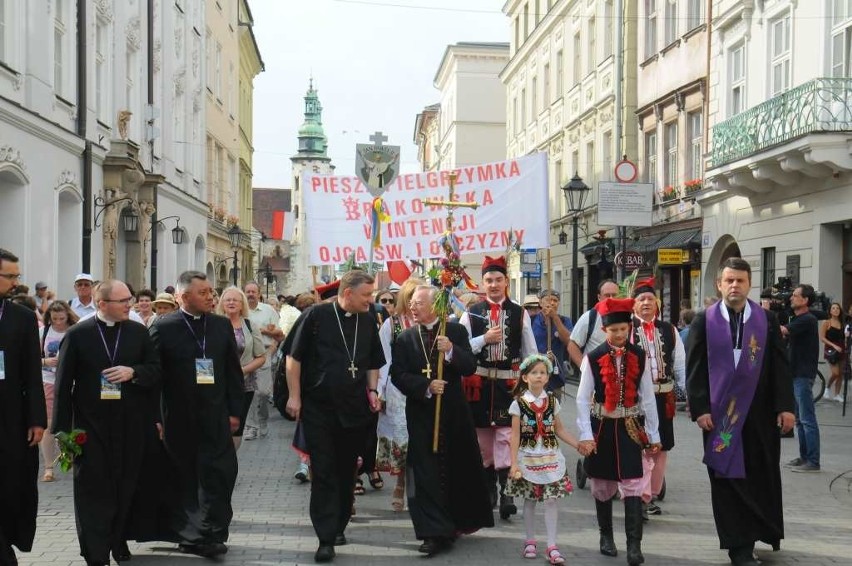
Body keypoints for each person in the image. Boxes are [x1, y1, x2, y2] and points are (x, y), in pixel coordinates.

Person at [686, 258, 795, 565]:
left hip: (759, 415)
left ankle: (760, 529)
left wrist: (785, 406)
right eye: (729, 280)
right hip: (720, 418)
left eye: (741, 281)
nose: (734, 286)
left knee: (759, 476)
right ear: (720, 284)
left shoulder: (766, 320)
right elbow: (694, 369)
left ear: (749, 284)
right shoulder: (703, 321)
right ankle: (739, 546)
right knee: (726, 478)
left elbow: (779, 367)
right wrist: (700, 409)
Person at [52, 280, 161, 566]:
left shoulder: (138, 332)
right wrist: (63, 433)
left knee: (126, 486)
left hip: (131, 424)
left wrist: (133, 372)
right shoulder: (77, 335)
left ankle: (117, 538)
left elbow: (156, 372)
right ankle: (95, 551)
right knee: (92, 490)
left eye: (131, 299)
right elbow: (63, 385)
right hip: (91, 427)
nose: (130, 304)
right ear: (102, 304)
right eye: (123, 300)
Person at [285, 270, 385, 563]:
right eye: (366, 295)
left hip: (355, 409)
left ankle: (339, 523)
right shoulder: (315, 317)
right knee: (325, 471)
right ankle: (325, 537)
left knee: (345, 471)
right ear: (348, 293)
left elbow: (372, 362)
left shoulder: (368, 319)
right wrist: (294, 396)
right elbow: (294, 357)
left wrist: (373, 391)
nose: (371, 300)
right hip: (320, 408)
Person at [390, 285, 494, 557]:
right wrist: (425, 385)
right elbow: (398, 375)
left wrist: (451, 352)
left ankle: (452, 524)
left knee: (454, 468)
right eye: (411, 303)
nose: (412, 307)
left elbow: (469, 366)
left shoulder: (455, 332)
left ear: (435, 306)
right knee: (424, 472)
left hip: (454, 413)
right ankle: (432, 532)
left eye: (418, 303)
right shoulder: (405, 338)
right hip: (422, 414)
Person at [148, 271, 245, 558]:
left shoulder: (220, 326)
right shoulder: (163, 328)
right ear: (183, 297)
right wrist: (155, 417)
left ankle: (215, 529)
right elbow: (154, 377)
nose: (210, 297)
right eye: (203, 292)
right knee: (185, 477)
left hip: (216, 414)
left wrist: (235, 411)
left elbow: (232, 371)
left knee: (221, 474)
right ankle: (194, 534)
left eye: (211, 291)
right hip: (178, 417)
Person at [576, 296, 660, 566]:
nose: (619, 334)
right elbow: (581, 398)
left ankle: (634, 546)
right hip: (602, 427)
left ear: (629, 328)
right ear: (605, 331)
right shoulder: (593, 357)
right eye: (614, 330)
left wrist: (654, 434)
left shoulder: (639, 355)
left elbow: (647, 396)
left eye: (624, 329)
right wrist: (586, 434)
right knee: (602, 483)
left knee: (633, 482)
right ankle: (606, 537)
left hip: (630, 427)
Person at [459, 255, 536, 521]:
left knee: (506, 436)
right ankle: (488, 489)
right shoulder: (471, 313)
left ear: (506, 282)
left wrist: (533, 383)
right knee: (483, 441)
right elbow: (459, 348)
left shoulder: (519, 312)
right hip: (479, 385)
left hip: (508, 384)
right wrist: (483, 339)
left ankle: (507, 494)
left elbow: (530, 351)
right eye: (489, 280)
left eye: (498, 280)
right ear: (483, 282)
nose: (493, 285)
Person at [506, 354, 578, 565]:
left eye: (543, 373)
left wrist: (577, 445)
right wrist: (513, 463)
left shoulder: (552, 402)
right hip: (528, 458)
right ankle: (530, 540)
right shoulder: (518, 404)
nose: (539, 376)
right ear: (525, 377)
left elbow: (560, 429)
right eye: (534, 373)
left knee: (551, 500)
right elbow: (515, 435)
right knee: (530, 500)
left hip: (550, 457)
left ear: (548, 378)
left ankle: (552, 545)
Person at [0, 248, 46, 566]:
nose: (16, 283)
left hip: (11, 418)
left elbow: (33, 371)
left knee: (11, 484)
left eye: (17, 276)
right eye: (10, 276)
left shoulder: (22, 317)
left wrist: (37, 419)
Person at [629, 278, 685, 517]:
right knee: (640, 444)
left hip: (664, 397)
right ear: (633, 305)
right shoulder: (627, 328)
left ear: (657, 304)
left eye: (650, 299)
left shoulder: (669, 330)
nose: (646, 303)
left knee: (661, 446)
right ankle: (638, 494)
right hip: (638, 399)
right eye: (641, 299)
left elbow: (680, 363)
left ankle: (650, 494)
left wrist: (687, 392)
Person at [376, 277, 423, 511]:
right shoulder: (392, 324)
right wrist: (379, 391)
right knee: (403, 440)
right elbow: (383, 360)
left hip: (424, 389)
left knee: (421, 441)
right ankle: (400, 484)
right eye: (413, 296)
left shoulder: (431, 323)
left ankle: (419, 489)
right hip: (398, 390)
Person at [217, 287, 266, 451]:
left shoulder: (250, 326)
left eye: (235, 300)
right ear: (222, 304)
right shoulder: (212, 324)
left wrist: (241, 371)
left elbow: (261, 356)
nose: (231, 303)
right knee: (218, 425)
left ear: (241, 304)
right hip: (218, 385)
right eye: (227, 300)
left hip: (244, 385)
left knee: (236, 426)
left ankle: (230, 461)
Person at [780, 284, 821, 473]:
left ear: (805, 300)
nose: (791, 298)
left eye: (795, 296)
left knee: (807, 419)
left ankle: (813, 460)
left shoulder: (808, 319)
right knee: (799, 420)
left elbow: (784, 330)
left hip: (803, 375)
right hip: (794, 373)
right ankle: (804, 457)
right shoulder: (798, 319)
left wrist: (765, 315)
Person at [38, 301, 80, 482]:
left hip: (72, 382)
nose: (58, 323)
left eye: (62, 319)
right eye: (54, 319)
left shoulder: (76, 331)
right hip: (48, 380)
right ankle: (48, 467)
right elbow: (31, 356)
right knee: (48, 424)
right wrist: (45, 362)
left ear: (68, 316)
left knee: (72, 422)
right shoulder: (43, 332)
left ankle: (70, 455)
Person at [244, 282, 283, 441]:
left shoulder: (268, 311)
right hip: (246, 356)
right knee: (249, 393)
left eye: (253, 291)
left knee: (263, 392)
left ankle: (262, 419)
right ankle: (251, 427)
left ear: (259, 293)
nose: (250, 294)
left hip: (265, 353)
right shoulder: (241, 310)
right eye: (248, 291)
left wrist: (265, 332)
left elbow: (279, 334)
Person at [568, 279, 621, 370]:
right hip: (595, 375)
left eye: (614, 295)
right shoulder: (589, 317)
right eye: (607, 295)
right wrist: (585, 369)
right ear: (599, 297)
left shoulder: (628, 317)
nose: (611, 299)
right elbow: (572, 345)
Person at [529, 289, 573, 397]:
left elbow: (568, 341)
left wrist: (555, 318)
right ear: (540, 303)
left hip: (554, 377)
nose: (552, 303)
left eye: (555, 300)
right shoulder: (531, 320)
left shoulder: (564, 321)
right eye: (548, 300)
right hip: (533, 374)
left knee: (553, 410)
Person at [820, 302, 845, 402]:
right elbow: (822, 338)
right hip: (831, 349)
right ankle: (827, 387)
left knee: (841, 373)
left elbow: (844, 337)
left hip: (842, 348)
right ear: (830, 311)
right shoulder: (826, 322)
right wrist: (834, 345)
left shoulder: (842, 323)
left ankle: (837, 394)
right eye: (833, 308)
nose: (836, 310)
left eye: (838, 308)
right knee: (835, 373)